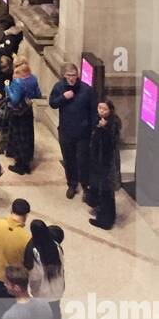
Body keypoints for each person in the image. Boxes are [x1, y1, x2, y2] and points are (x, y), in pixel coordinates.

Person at [48, 62, 97, 200]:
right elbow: (52, 103)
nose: (71, 78)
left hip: (83, 133)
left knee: (83, 160)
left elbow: (93, 111)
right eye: (69, 75)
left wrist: (92, 128)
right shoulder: (59, 87)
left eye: (74, 75)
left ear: (78, 75)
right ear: (64, 75)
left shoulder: (86, 90)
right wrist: (63, 97)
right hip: (65, 131)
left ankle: (86, 185)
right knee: (69, 160)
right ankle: (72, 184)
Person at [0, 198, 31, 319]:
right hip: (14, 281)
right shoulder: (27, 238)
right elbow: (28, 263)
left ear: (11, 210)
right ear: (26, 215)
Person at [1, 58, 42, 174]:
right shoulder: (33, 78)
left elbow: (14, 100)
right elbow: (38, 94)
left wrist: (8, 88)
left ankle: (20, 165)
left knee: (18, 138)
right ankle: (27, 163)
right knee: (28, 137)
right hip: (28, 111)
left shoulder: (18, 82)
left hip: (18, 112)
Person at [88, 97, 122, 230]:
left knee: (107, 192)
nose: (101, 111)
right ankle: (101, 211)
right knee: (100, 189)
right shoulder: (98, 120)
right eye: (99, 108)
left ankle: (105, 220)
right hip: (97, 161)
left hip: (107, 163)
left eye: (104, 109)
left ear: (110, 110)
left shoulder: (113, 123)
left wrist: (104, 128)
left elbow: (112, 142)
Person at [23, 219, 65, 319]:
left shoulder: (34, 251)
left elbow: (35, 275)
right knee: (55, 310)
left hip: (43, 292)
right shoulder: (56, 245)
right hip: (57, 288)